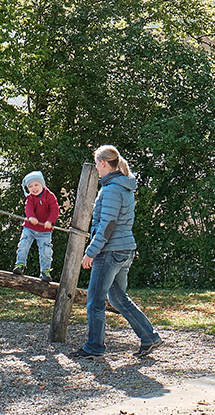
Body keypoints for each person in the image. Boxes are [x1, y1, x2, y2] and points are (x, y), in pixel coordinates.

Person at [68, 145, 164, 360]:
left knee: (95, 300)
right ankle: (149, 336)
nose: (96, 168)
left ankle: (94, 347)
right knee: (118, 298)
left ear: (103, 163)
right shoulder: (124, 186)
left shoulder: (111, 189)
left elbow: (108, 225)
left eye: (96, 164)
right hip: (124, 249)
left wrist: (91, 252)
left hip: (110, 252)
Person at [12, 171, 59, 282]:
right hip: (30, 228)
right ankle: (20, 265)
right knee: (23, 244)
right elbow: (28, 209)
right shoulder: (30, 198)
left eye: (36, 185)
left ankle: (45, 272)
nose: (34, 188)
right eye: (30, 186)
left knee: (46, 251)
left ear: (42, 184)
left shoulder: (50, 196)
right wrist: (31, 217)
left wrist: (50, 221)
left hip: (45, 229)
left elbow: (54, 209)